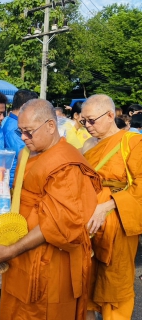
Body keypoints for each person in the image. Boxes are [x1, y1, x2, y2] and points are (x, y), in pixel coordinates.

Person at [0, 99, 101, 320]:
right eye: (20, 131)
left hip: (50, 260)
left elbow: (60, 222)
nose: (24, 138)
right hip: (22, 249)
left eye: (29, 132)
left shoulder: (66, 164)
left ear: (51, 126)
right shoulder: (28, 152)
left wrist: (13, 250)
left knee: (45, 311)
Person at [81, 94, 142, 320]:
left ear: (109, 116)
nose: (87, 126)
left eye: (91, 120)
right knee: (85, 281)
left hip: (119, 222)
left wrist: (109, 204)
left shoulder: (132, 143)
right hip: (87, 223)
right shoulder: (88, 144)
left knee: (114, 284)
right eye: (83, 121)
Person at [2, 89, 38, 185]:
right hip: (14, 180)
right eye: (34, 109)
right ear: (24, 107)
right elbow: (25, 153)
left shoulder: (12, 123)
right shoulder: (13, 129)